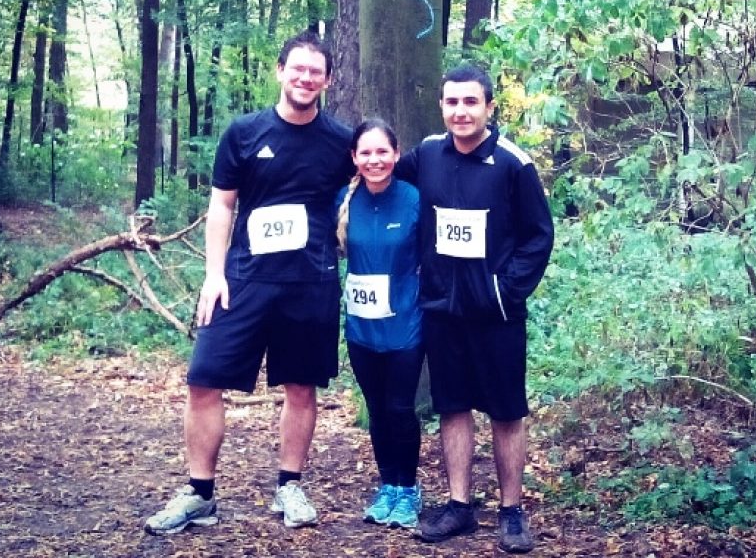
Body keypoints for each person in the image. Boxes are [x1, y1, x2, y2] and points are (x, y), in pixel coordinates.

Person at [145, 31, 353, 535]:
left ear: (326, 80)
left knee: (302, 387)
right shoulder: (244, 132)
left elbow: (372, 183)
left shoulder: (342, 141)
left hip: (310, 281)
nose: (306, 78)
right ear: (280, 71)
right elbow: (222, 204)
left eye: (315, 72)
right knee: (203, 378)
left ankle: (290, 486)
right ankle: (199, 493)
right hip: (243, 280)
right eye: (297, 69)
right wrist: (212, 275)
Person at [396, 65, 554, 554]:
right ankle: (459, 506)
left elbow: (538, 236)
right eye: (452, 103)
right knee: (452, 407)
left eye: (470, 102)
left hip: (497, 314)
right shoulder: (425, 154)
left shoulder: (513, 163)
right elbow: (377, 173)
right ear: (442, 107)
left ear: (489, 106)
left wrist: (506, 291)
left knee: (506, 412)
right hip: (443, 309)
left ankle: (511, 511)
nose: (460, 111)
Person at [336, 118, 424, 529]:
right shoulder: (344, 200)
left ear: (396, 153)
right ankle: (387, 485)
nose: (375, 160)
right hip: (360, 328)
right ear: (354, 157)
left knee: (399, 407)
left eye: (382, 152)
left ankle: (408, 489)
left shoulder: (413, 199)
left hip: (406, 325)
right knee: (376, 409)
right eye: (366, 152)